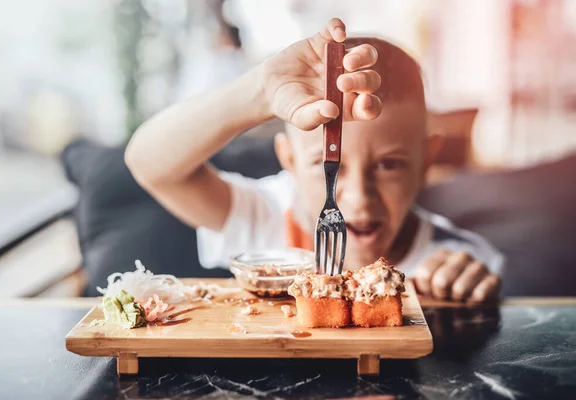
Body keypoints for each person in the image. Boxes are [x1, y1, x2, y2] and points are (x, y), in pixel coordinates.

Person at [125, 18, 503, 302]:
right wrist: (258, 91)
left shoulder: (457, 258)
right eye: (328, 165)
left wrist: (465, 291)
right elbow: (148, 164)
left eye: (389, 165)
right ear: (287, 160)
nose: (358, 199)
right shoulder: (265, 217)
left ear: (426, 161)